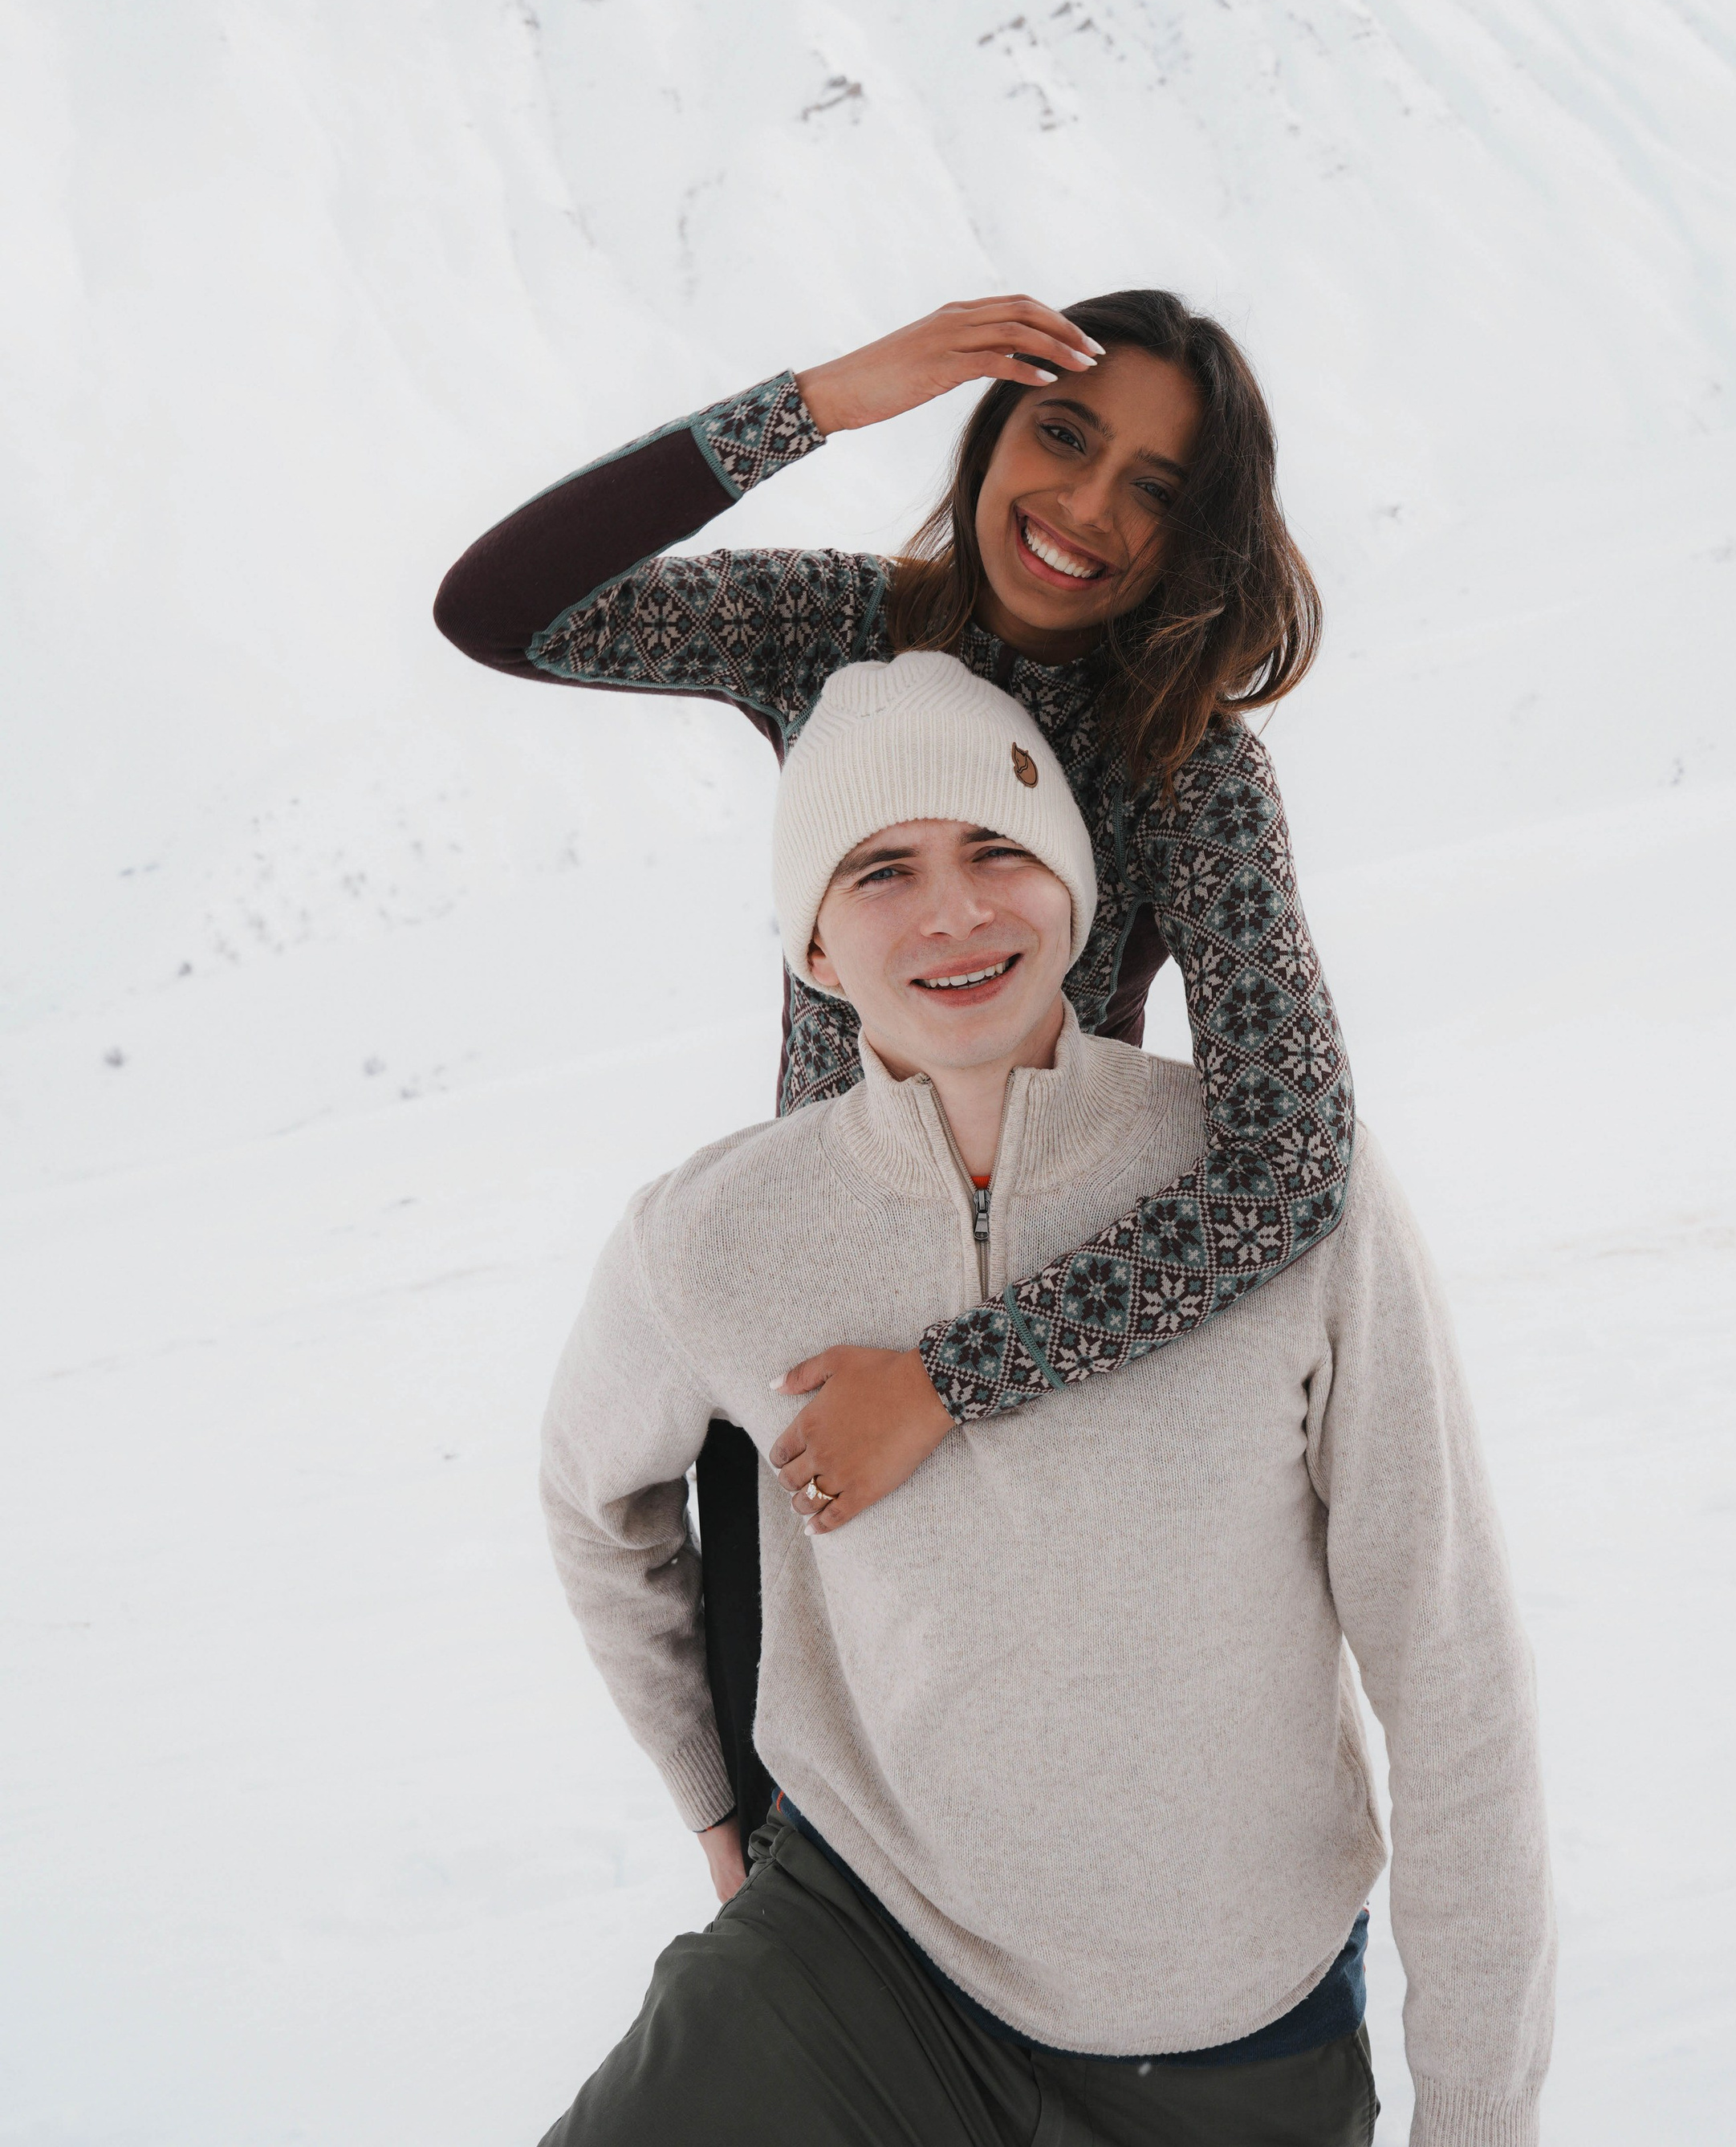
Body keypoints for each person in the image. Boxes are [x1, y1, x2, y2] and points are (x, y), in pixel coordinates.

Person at [538, 653, 1555, 2145]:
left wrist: (1481, 2118)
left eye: (996, 848)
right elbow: (591, 1498)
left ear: (1075, 893)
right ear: (814, 943)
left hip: (1228, 2025)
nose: (953, 911)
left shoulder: (1273, 1189)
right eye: (882, 868)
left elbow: (1451, 1659)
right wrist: (712, 1794)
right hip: (864, 1961)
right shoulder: (714, 1237)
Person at [435, 290, 1352, 1864]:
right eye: (1062, 434)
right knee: (787, 1888)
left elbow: (1291, 1156)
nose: (1086, 507)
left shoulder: (1181, 755)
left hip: (1043, 1384)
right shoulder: (842, 631)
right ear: (991, 429)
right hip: (798, 1380)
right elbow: (503, 610)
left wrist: (952, 1379)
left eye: (1152, 485)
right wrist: (824, 398)